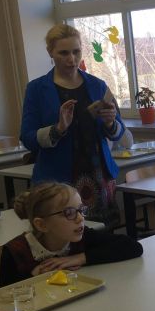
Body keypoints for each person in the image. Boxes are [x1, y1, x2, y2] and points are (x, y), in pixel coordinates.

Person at [20, 24, 126, 226]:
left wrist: (110, 122)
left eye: (76, 51)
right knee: (65, 236)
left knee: (103, 237)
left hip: (98, 175)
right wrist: (57, 129)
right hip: (58, 180)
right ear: (50, 52)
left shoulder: (97, 85)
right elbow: (27, 137)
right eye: (64, 53)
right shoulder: (36, 89)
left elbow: (119, 132)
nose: (72, 59)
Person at [0, 183, 143, 286]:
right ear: (42, 225)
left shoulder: (80, 236)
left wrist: (79, 258)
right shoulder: (15, 251)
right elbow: (4, 296)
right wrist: (33, 276)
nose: (80, 218)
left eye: (80, 210)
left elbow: (132, 246)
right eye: (69, 213)